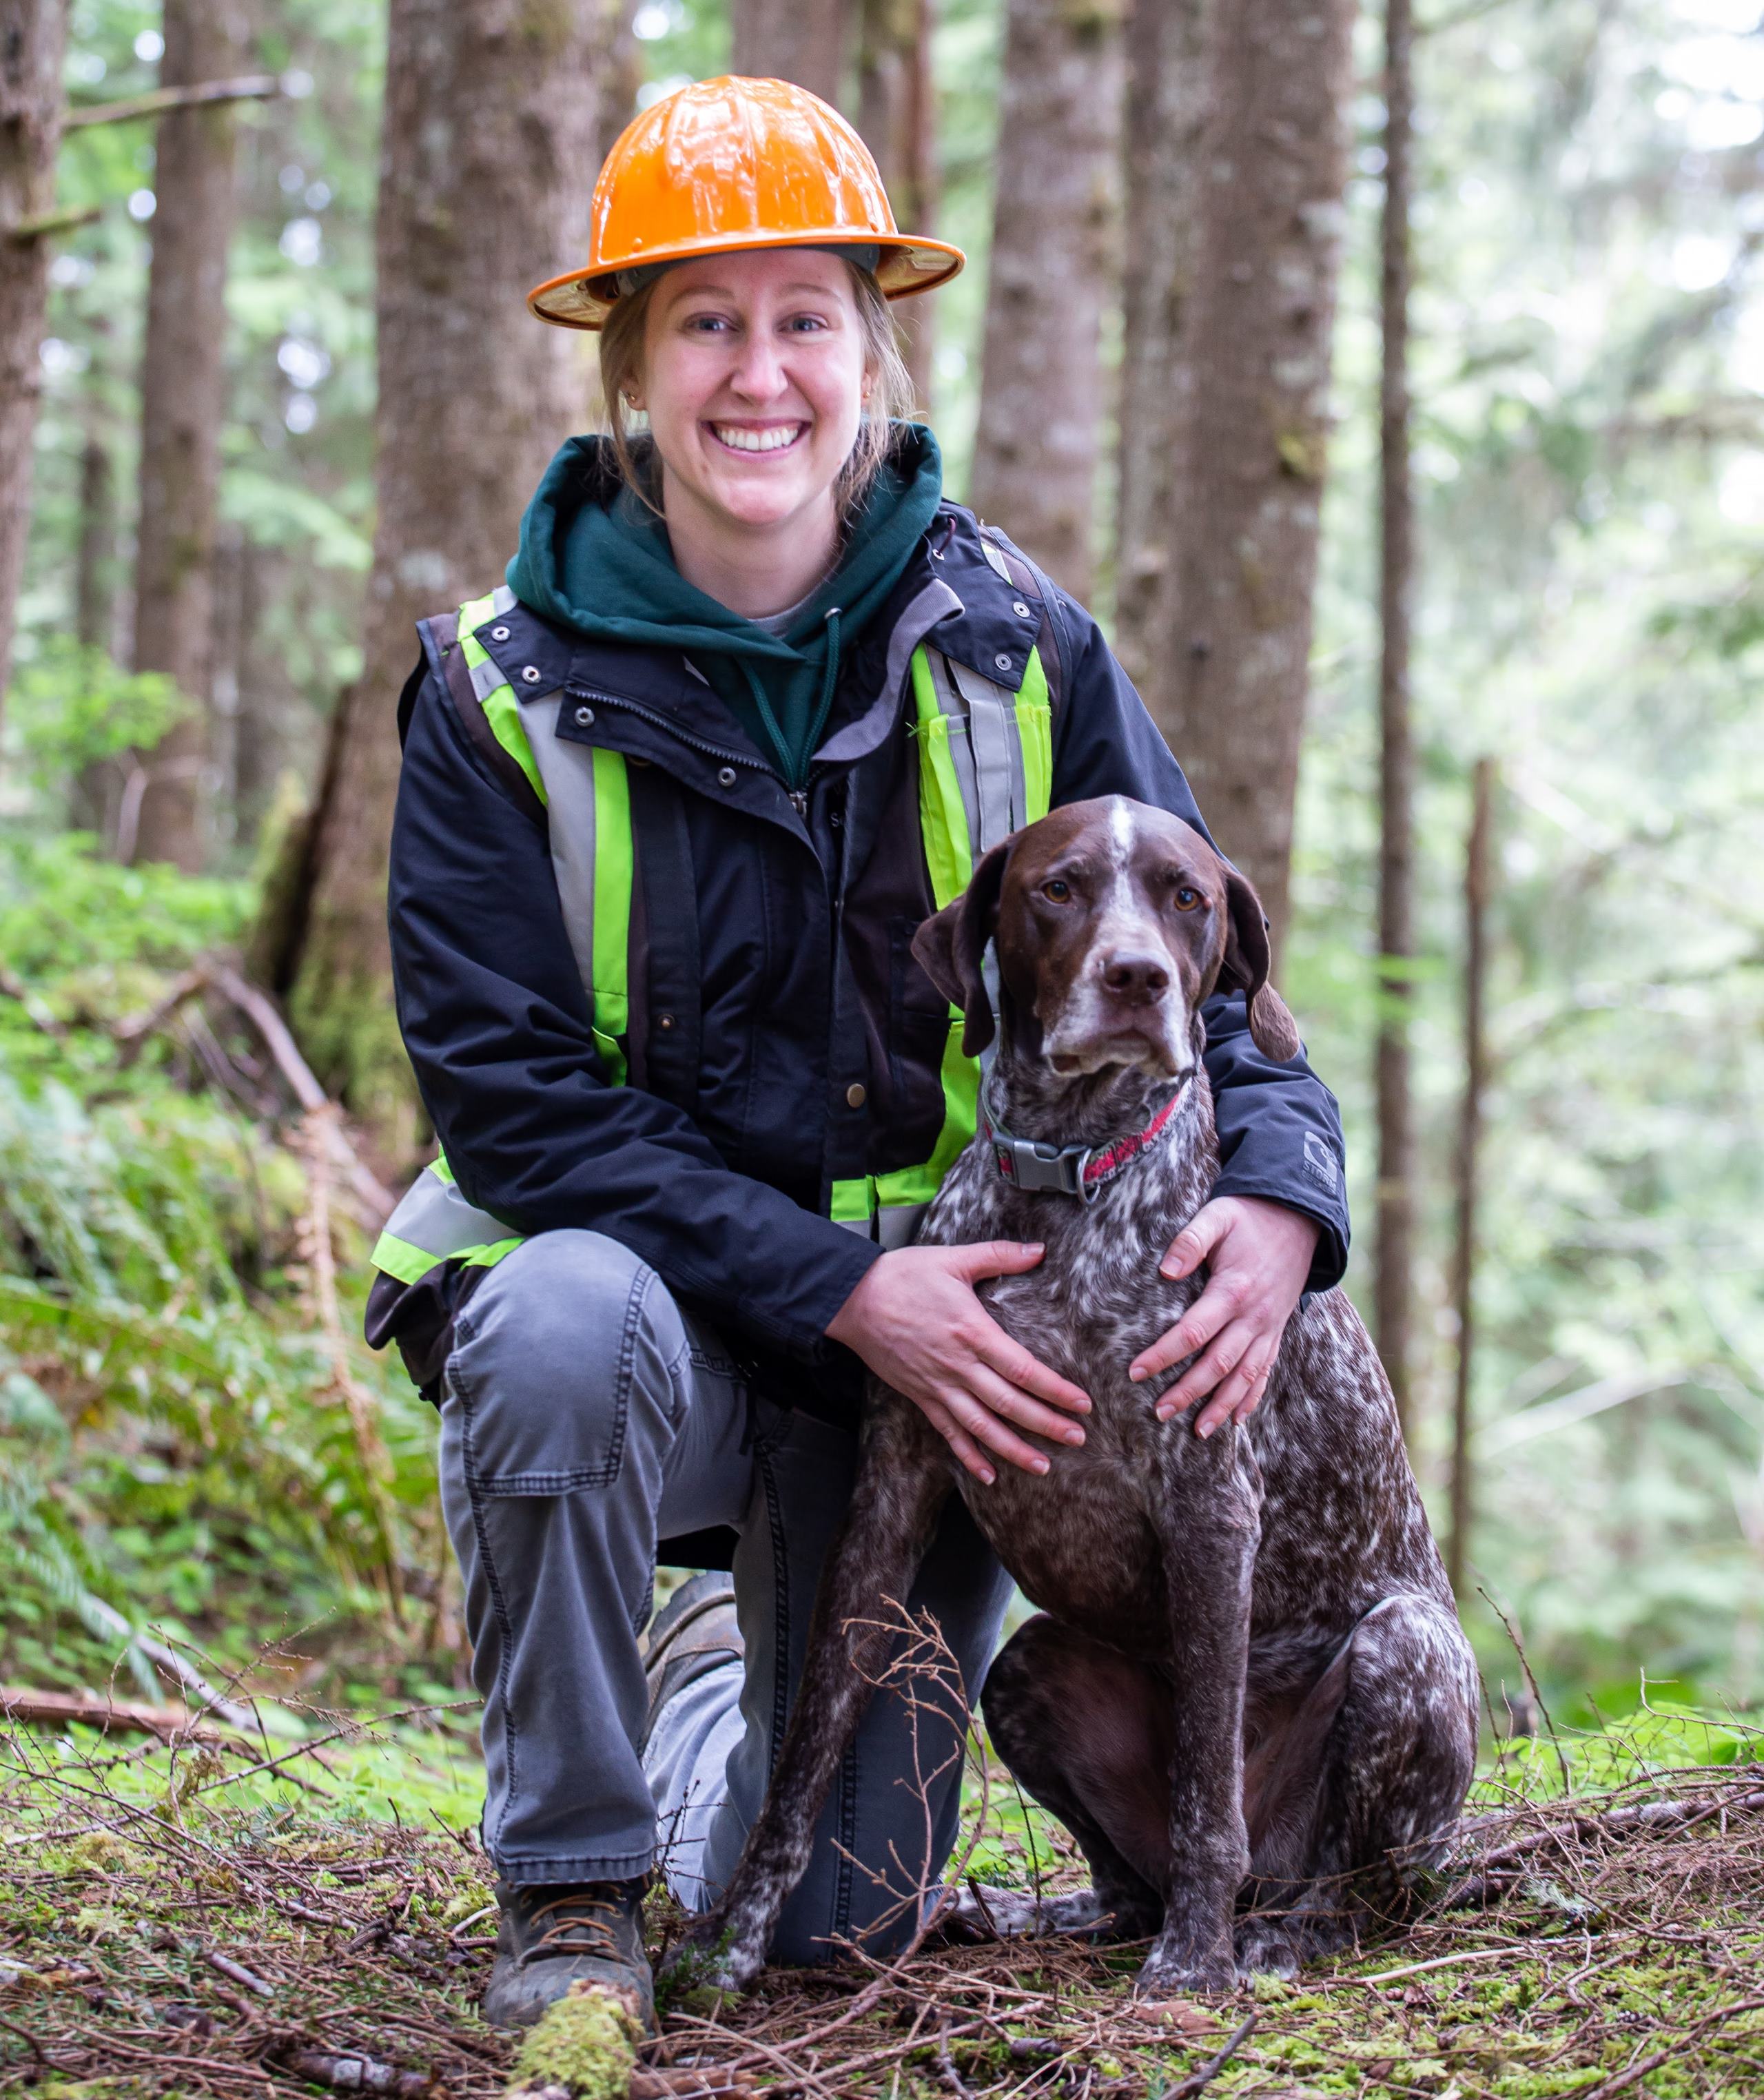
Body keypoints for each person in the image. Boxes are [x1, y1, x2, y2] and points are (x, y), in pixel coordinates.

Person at [365, 75, 1349, 2032]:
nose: (758, 375)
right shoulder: (491, 694)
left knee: (829, 1941)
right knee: (556, 1321)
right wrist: (843, 1286)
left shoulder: (1023, 646)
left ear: (870, 358)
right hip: (658, 1327)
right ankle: (571, 1890)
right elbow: (510, 1105)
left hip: (927, 1403)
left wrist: (1281, 1195)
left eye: (804, 317)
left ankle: (725, 1680)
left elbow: (1206, 956)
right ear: (631, 364)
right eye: (704, 323)